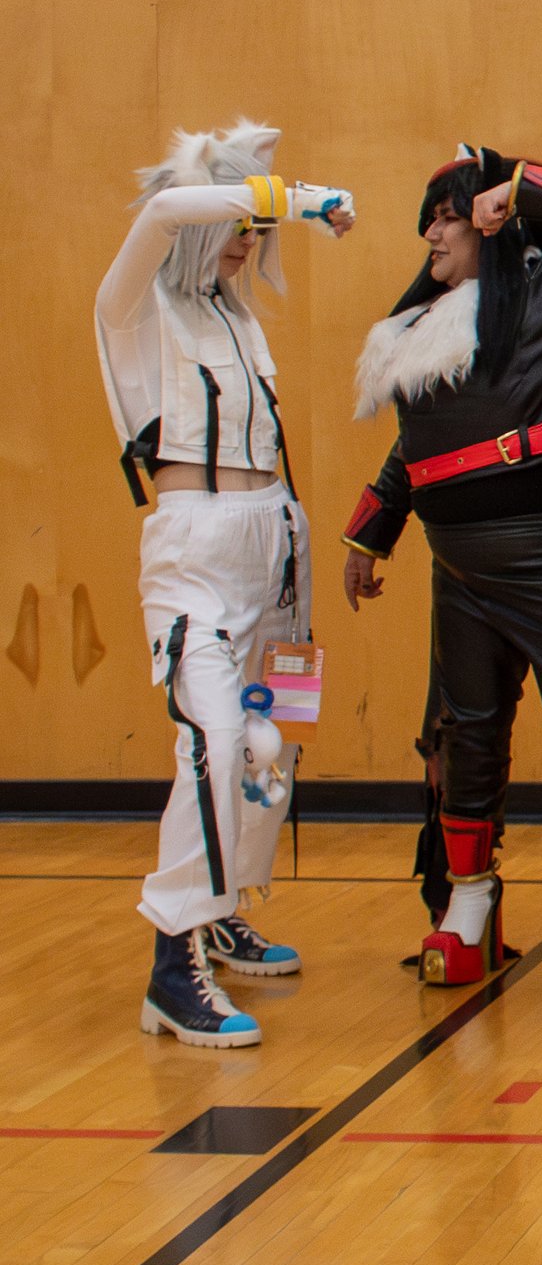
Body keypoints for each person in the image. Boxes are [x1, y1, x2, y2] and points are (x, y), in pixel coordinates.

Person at [342, 148, 542, 1001]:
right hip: (461, 569)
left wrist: (521, 182)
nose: (430, 231)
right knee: (466, 738)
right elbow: (415, 448)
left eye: (446, 213)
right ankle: (467, 914)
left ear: (489, 218)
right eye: (428, 218)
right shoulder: (420, 329)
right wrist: (371, 532)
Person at [97, 123, 353, 1047]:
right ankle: (173, 959)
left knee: (271, 743)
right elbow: (167, 210)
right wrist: (297, 195)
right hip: (194, 559)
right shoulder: (131, 311)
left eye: (259, 226)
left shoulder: (239, 316)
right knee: (213, 736)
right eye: (239, 218)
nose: (249, 238)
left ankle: (222, 907)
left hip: (277, 543)